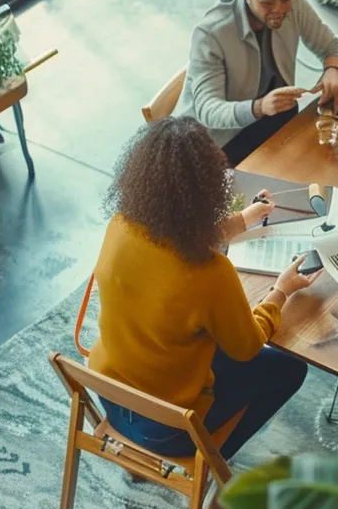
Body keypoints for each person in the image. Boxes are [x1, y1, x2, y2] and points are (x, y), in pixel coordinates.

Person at [86, 117, 316, 459]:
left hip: (110, 395)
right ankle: (214, 462)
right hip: (169, 429)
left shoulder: (121, 226)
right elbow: (247, 347)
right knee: (290, 368)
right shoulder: (209, 273)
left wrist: (244, 219)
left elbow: (175, 243)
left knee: (204, 336)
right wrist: (279, 292)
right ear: (206, 190)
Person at [178, 0, 338, 165]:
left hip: (274, 118)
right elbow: (208, 110)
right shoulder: (211, 34)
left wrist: (334, 69)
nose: (279, 9)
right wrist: (259, 107)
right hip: (222, 143)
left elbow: (335, 46)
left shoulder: (294, 5)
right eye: (267, 1)